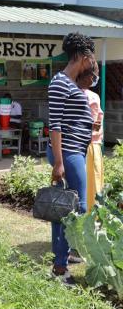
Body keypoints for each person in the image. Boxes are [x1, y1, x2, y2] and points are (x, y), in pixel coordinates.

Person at [48, 32, 95, 284]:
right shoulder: (59, 82)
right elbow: (55, 125)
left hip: (73, 151)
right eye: (92, 58)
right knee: (74, 209)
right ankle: (59, 268)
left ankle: (62, 256)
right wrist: (59, 162)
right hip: (67, 152)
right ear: (84, 57)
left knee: (65, 208)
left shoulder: (72, 84)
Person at [77, 62, 104, 211]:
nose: (96, 79)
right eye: (95, 75)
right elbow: (96, 123)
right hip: (90, 147)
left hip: (80, 147)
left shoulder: (73, 93)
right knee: (92, 183)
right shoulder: (91, 97)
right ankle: (92, 214)